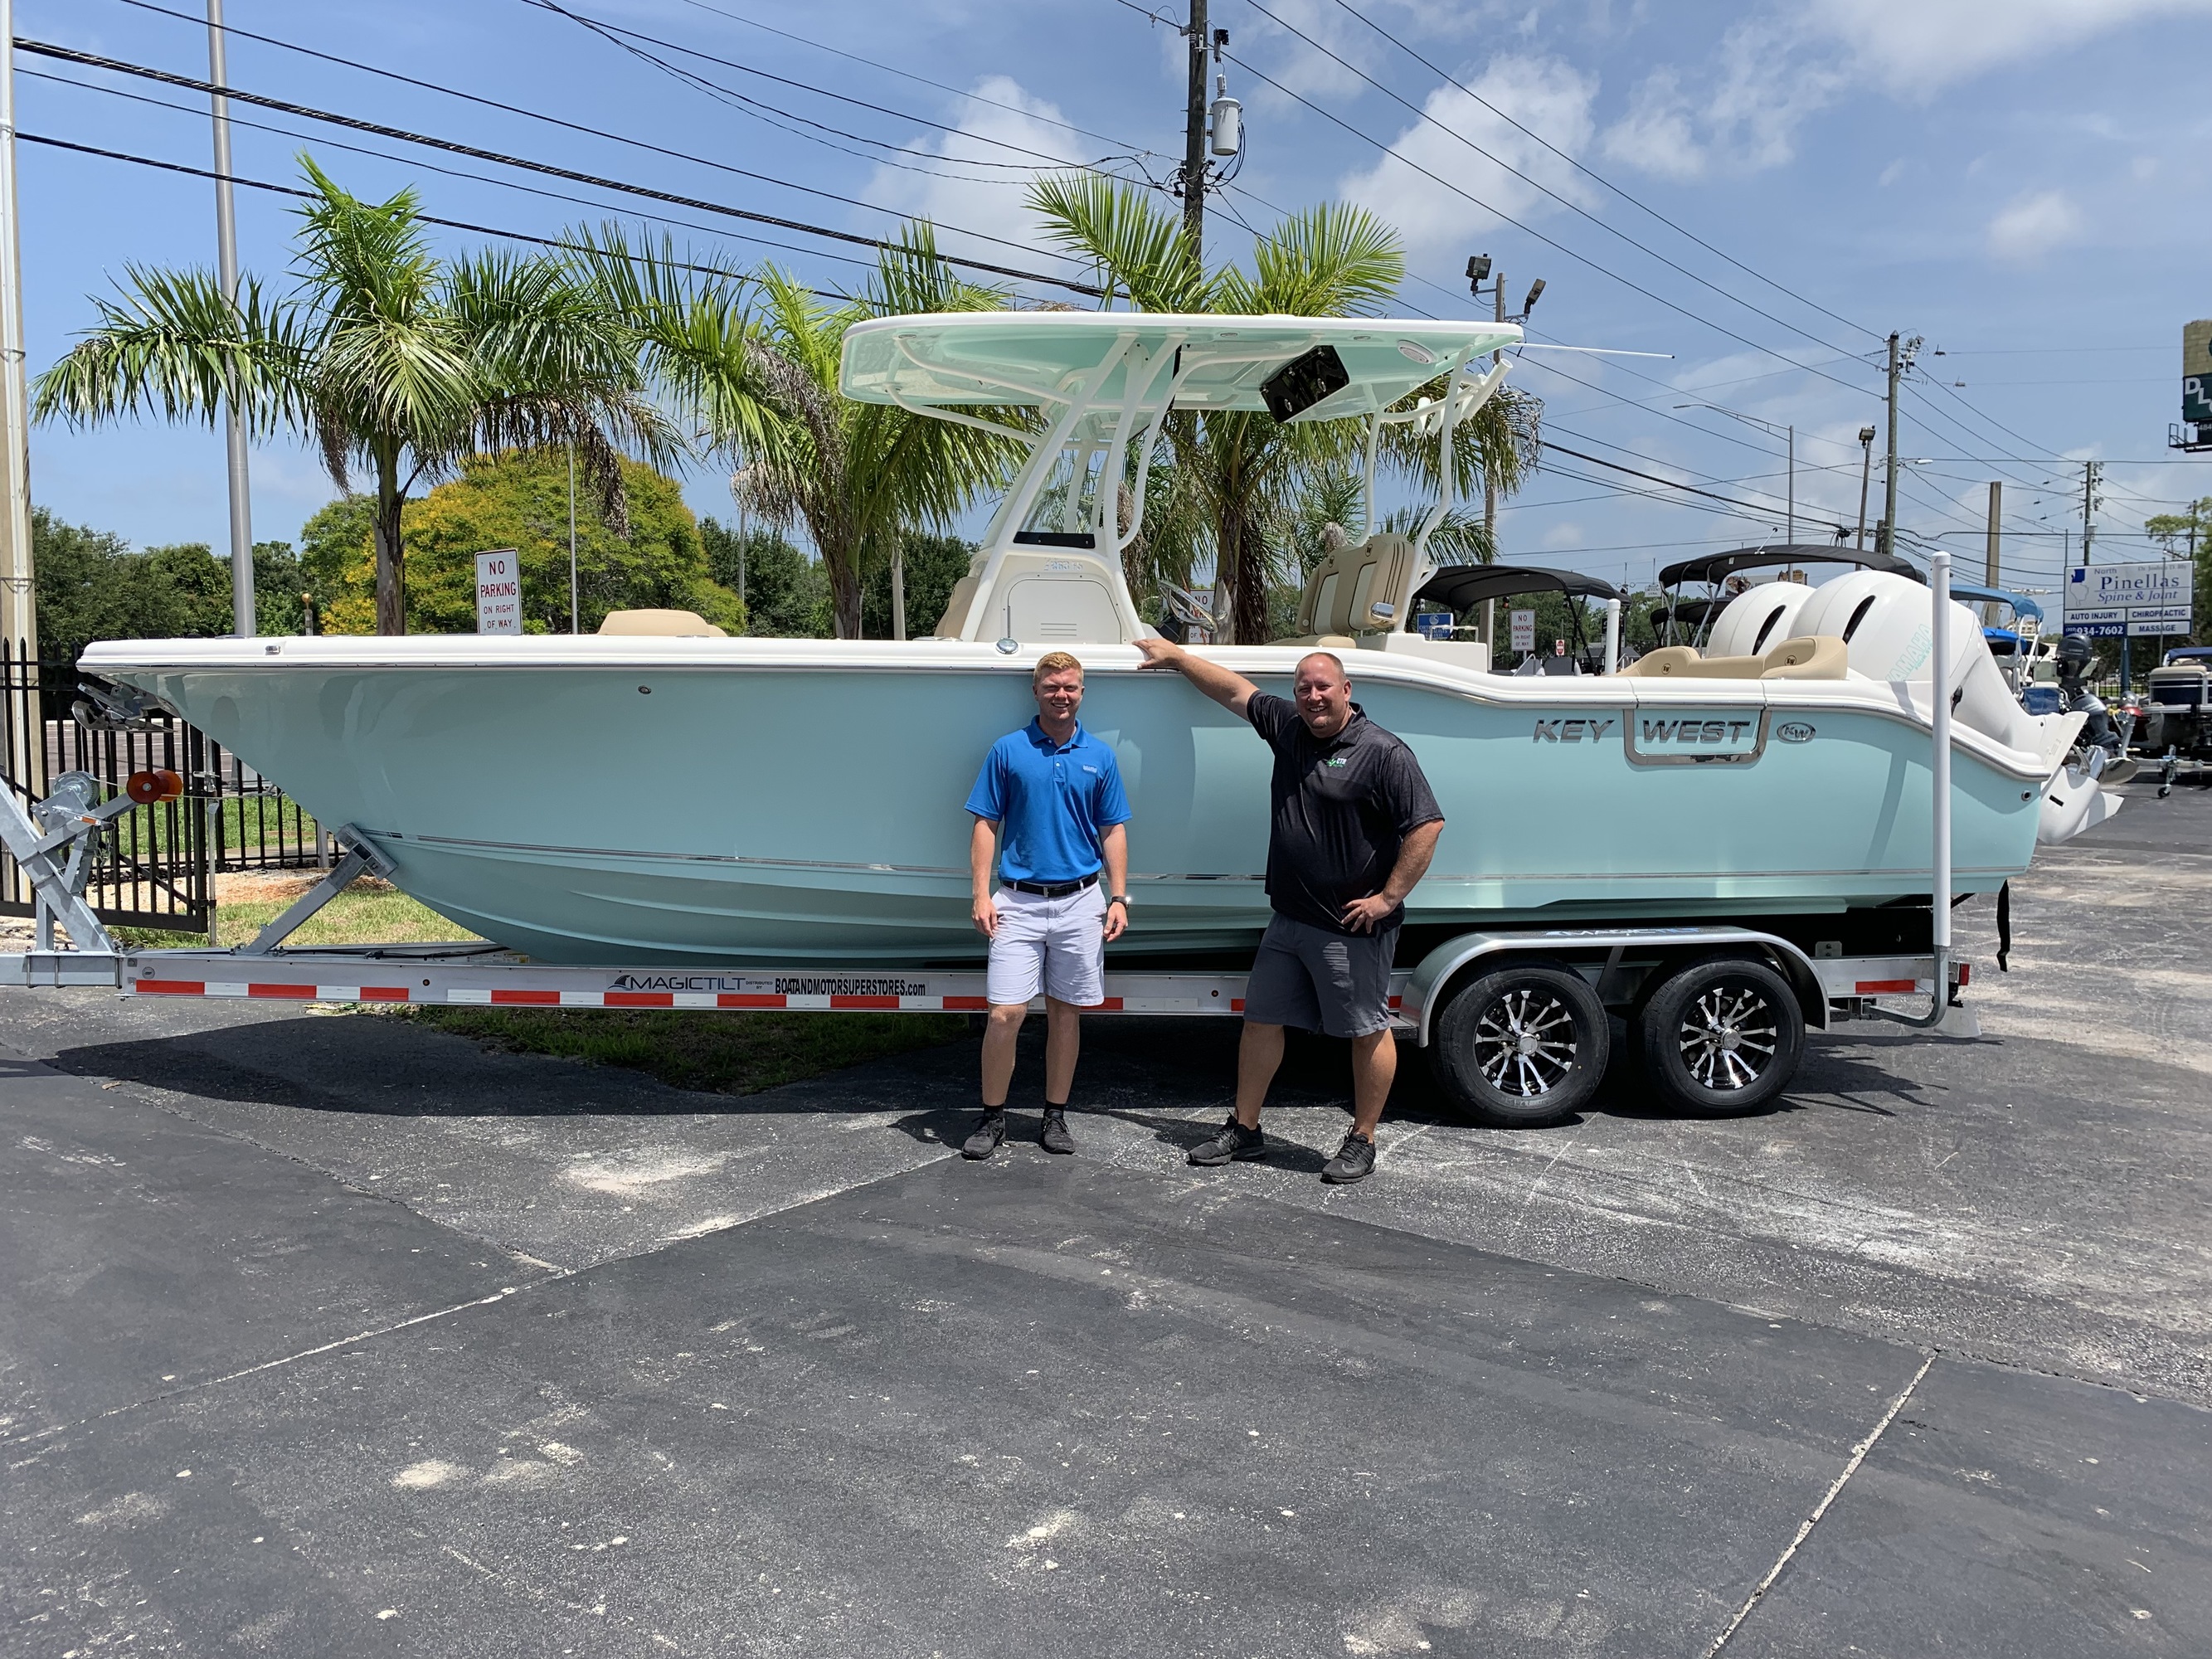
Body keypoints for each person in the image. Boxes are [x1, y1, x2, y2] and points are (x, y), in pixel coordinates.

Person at [1132, 640, 1443, 1185]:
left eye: (1323, 686)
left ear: (1346, 691)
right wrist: (1176, 657)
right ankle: (1245, 1129)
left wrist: (1388, 898)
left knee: (1366, 1030)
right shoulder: (1289, 728)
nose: (1312, 696)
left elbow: (1426, 824)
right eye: (1303, 688)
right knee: (1260, 1022)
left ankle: (1362, 1139)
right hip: (1289, 918)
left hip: (1351, 927)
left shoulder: (1383, 752)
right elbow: (1233, 690)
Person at [961, 651, 1131, 1160]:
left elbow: (1113, 828)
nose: (1062, 695)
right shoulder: (1008, 751)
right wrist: (978, 893)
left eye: (1072, 688)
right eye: (1053, 687)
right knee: (1005, 1014)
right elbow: (985, 823)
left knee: (1066, 1014)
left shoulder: (1099, 755)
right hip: (1017, 900)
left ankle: (1054, 1116)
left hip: (1082, 902)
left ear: (1082, 693)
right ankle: (993, 1117)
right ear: (1035, 691)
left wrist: (1119, 896)